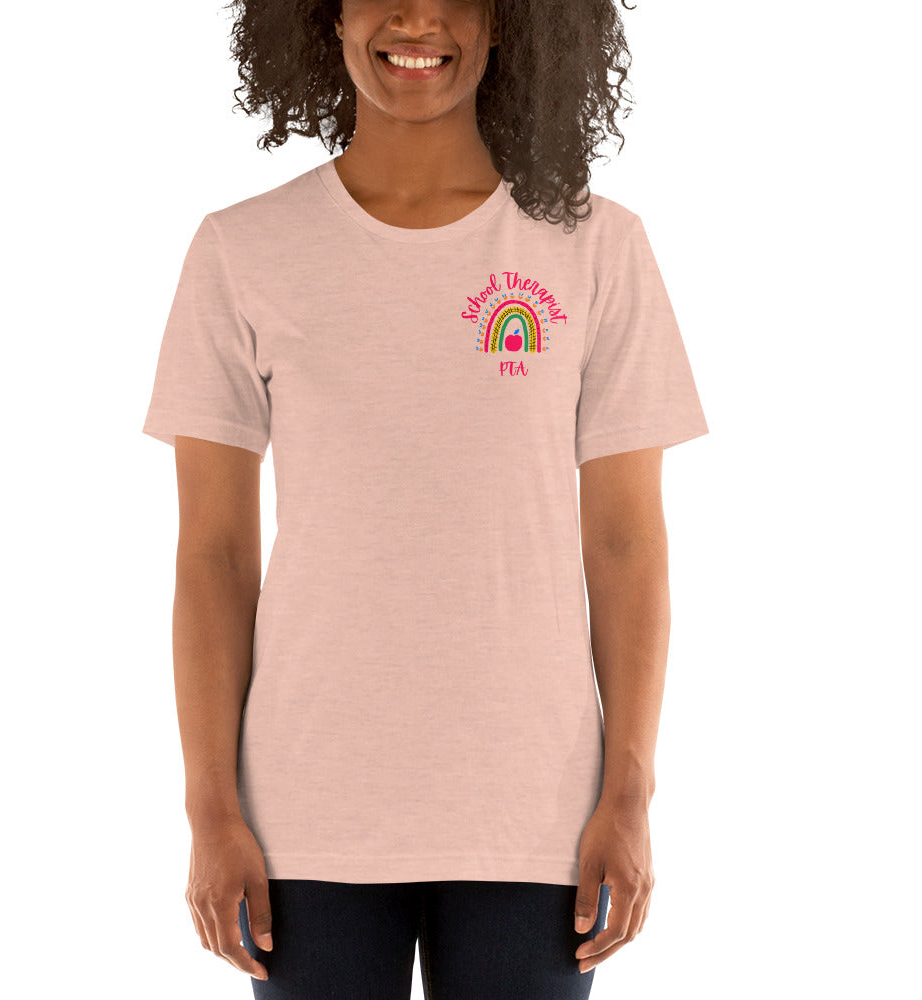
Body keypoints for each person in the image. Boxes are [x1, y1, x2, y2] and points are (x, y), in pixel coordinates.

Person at [142, 0, 709, 996]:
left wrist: (629, 795)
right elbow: (214, 558)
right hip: (304, 818)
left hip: (536, 818)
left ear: (510, 21)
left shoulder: (595, 246)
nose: (417, 17)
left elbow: (626, 545)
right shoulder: (244, 249)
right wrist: (210, 811)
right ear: (323, 14)